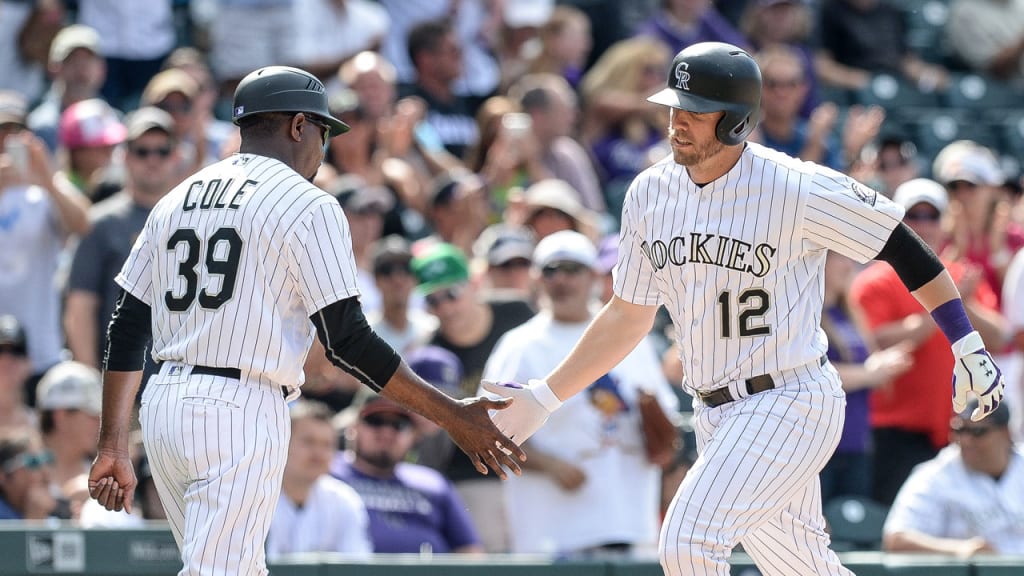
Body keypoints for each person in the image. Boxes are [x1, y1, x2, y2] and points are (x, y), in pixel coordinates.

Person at [481, 42, 1006, 576]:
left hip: (790, 398)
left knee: (687, 543)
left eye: (694, 111)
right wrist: (546, 396)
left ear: (735, 122)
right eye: (673, 107)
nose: (677, 121)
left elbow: (902, 244)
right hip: (716, 412)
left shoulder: (795, 186)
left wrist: (966, 343)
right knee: (805, 569)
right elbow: (626, 314)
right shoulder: (648, 194)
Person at [86, 65, 525, 576]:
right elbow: (347, 341)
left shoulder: (177, 198)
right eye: (322, 131)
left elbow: (128, 325)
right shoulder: (306, 203)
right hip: (239, 406)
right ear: (299, 126)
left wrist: (114, 442)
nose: (324, 147)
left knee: (233, 568)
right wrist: (452, 414)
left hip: (164, 407)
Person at [482, 230, 679, 556]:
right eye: (550, 270)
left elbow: (665, 429)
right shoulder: (520, 346)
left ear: (594, 277)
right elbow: (489, 433)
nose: (561, 279)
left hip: (627, 521)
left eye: (572, 269)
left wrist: (660, 432)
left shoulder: (629, 338)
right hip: (554, 531)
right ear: (536, 279)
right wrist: (550, 465)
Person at [851, 178, 1008, 505]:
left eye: (931, 216)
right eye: (914, 216)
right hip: (897, 434)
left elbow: (999, 336)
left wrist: (963, 303)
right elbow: (874, 341)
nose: (923, 225)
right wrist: (947, 307)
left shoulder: (960, 276)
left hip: (959, 434)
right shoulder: (875, 280)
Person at [64, 107, 179, 376]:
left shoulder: (195, 218)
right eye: (142, 151)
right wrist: (91, 382)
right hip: (123, 386)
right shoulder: (100, 223)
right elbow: (80, 306)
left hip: (179, 387)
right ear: (125, 156)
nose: (153, 159)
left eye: (162, 151)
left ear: (175, 156)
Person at [330, 395, 485, 554]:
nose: (387, 432)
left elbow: (469, 550)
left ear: (414, 435)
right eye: (375, 421)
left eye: (399, 425)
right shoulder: (326, 472)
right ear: (353, 427)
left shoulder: (433, 483)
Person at [883, 399, 1024, 556]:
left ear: (1006, 433)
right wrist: (959, 549)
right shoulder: (935, 475)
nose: (965, 440)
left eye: (977, 432)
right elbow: (896, 538)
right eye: (959, 430)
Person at [266, 400, 373, 561]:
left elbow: (356, 566)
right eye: (308, 442)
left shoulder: (344, 500)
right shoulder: (253, 496)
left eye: (327, 445)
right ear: (282, 442)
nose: (318, 453)